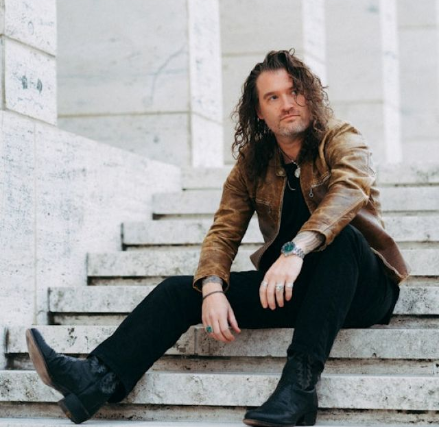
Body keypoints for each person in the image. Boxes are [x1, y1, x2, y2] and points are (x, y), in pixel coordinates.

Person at [26, 49, 409, 426]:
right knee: (179, 292)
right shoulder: (253, 163)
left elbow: (350, 191)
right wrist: (211, 289)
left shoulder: (341, 138)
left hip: (362, 288)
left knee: (344, 240)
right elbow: (224, 232)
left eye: (294, 92)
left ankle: (299, 388)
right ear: (259, 112)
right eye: (273, 97)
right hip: (297, 290)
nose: (287, 104)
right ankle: (97, 378)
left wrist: (295, 250)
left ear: (309, 95)